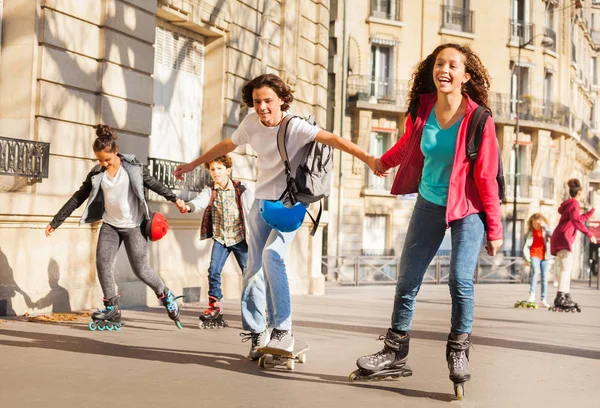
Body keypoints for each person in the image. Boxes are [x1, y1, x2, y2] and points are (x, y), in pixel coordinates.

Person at [174, 73, 382, 358]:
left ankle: (283, 331)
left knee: (273, 256)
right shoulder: (250, 124)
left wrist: (369, 159)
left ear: (282, 100)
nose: (262, 107)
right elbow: (227, 145)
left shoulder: (294, 126)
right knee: (252, 271)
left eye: (268, 101)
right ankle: (259, 332)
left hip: (290, 205)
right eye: (257, 102)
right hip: (262, 203)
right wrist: (193, 164)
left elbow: (334, 139)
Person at [350, 43, 503, 396]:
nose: (443, 70)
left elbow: (486, 178)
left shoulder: (479, 119)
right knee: (407, 279)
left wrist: (494, 230)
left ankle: (458, 350)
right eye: (439, 64)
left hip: (468, 208)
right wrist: (383, 163)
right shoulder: (425, 108)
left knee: (460, 280)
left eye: (452, 65)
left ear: (466, 76)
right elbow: (409, 144)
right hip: (430, 202)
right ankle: (394, 350)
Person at [46, 124, 188, 329]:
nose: (104, 164)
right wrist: (56, 221)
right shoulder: (97, 174)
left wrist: (175, 199)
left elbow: (153, 183)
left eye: (108, 159)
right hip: (110, 225)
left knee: (141, 269)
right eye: (100, 160)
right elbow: (78, 197)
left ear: (116, 152)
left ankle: (165, 294)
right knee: (102, 263)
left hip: (134, 225)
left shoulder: (132, 168)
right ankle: (112, 307)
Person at [180, 155, 253, 328]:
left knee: (249, 273)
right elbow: (200, 202)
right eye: (213, 169)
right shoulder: (210, 190)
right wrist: (188, 206)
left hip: (240, 238)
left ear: (228, 170)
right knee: (213, 271)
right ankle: (215, 306)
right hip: (221, 238)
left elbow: (252, 212)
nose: (216, 172)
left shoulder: (241, 190)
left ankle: (258, 305)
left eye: (219, 169)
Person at [550, 178, 596, 311]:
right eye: (583, 194)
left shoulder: (570, 204)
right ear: (579, 193)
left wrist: (591, 212)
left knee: (566, 268)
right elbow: (576, 221)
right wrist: (589, 235)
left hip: (560, 237)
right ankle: (561, 297)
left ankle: (566, 295)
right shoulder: (574, 204)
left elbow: (579, 218)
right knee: (566, 268)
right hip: (564, 238)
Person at [521, 213, 552, 308]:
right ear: (532, 223)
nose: (536, 225)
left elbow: (552, 235)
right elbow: (525, 247)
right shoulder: (529, 233)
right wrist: (527, 258)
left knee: (544, 278)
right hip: (534, 255)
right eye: (534, 223)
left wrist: (545, 227)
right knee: (535, 272)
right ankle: (532, 295)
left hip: (545, 256)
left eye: (538, 223)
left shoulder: (545, 231)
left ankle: (543, 299)